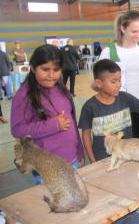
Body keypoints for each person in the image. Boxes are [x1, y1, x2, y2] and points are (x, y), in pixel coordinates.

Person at [10, 45, 85, 184]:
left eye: (56, 70)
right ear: (33, 68)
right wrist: (54, 124)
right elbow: (17, 130)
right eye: (45, 69)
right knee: (56, 203)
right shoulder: (23, 95)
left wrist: (79, 150)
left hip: (71, 158)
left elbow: (72, 121)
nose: (51, 75)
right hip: (47, 166)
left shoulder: (61, 89)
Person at [99, 10, 139, 139]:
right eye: (134, 31)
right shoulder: (108, 52)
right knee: (126, 144)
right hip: (121, 104)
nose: (138, 35)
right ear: (123, 28)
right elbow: (98, 83)